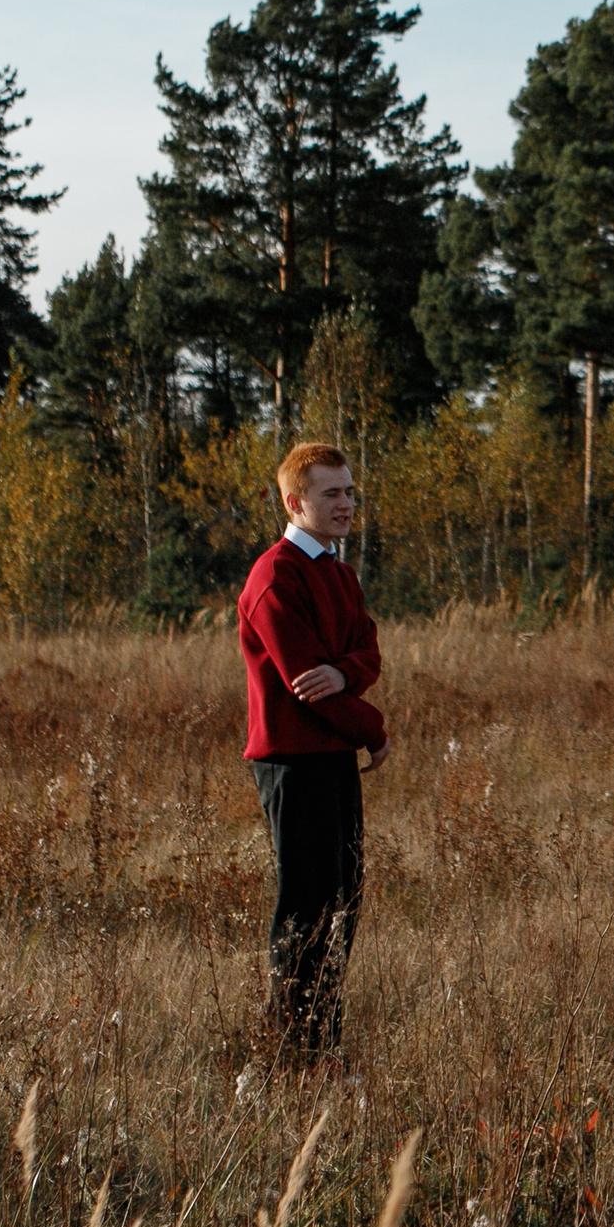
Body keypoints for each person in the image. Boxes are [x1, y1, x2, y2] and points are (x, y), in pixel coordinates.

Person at [239, 441, 391, 1068]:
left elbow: (367, 654)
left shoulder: (338, 571)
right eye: (332, 493)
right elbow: (307, 683)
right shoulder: (275, 576)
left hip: (332, 757)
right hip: (292, 760)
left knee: (342, 900)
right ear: (294, 501)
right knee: (305, 906)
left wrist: (346, 672)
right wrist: (373, 728)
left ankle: (321, 1049)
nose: (347, 504)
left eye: (350, 491)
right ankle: (290, 1055)